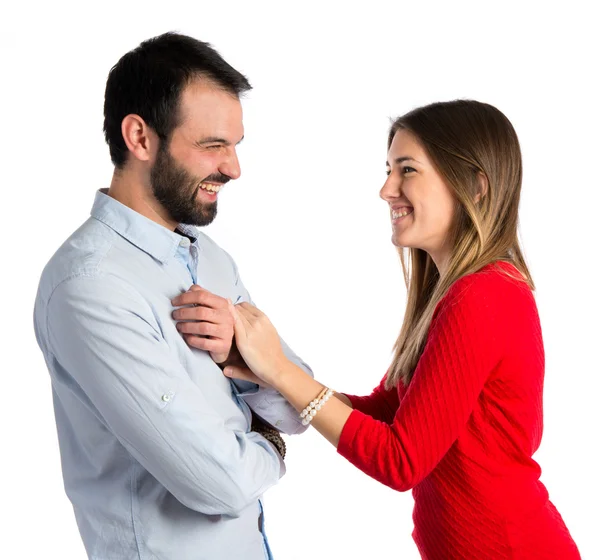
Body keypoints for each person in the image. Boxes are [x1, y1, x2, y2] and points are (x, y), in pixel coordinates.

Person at [219, 100, 581, 558]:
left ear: (474, 184)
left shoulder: (484, 296)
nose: (386, 189)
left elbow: (401, 460)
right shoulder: (463, 293)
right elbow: (388, 411)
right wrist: (271, 375)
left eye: (406, 170)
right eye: (388, 169)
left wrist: (282, 371)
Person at [33, 32, 313, 560]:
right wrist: (269, 445)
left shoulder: (209, 257)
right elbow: (220, 486)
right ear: (140, 138)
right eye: (213, 146)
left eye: (234, 147)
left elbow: (300, 408)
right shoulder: (90, 287)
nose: (233, 168)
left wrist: (245, 360)